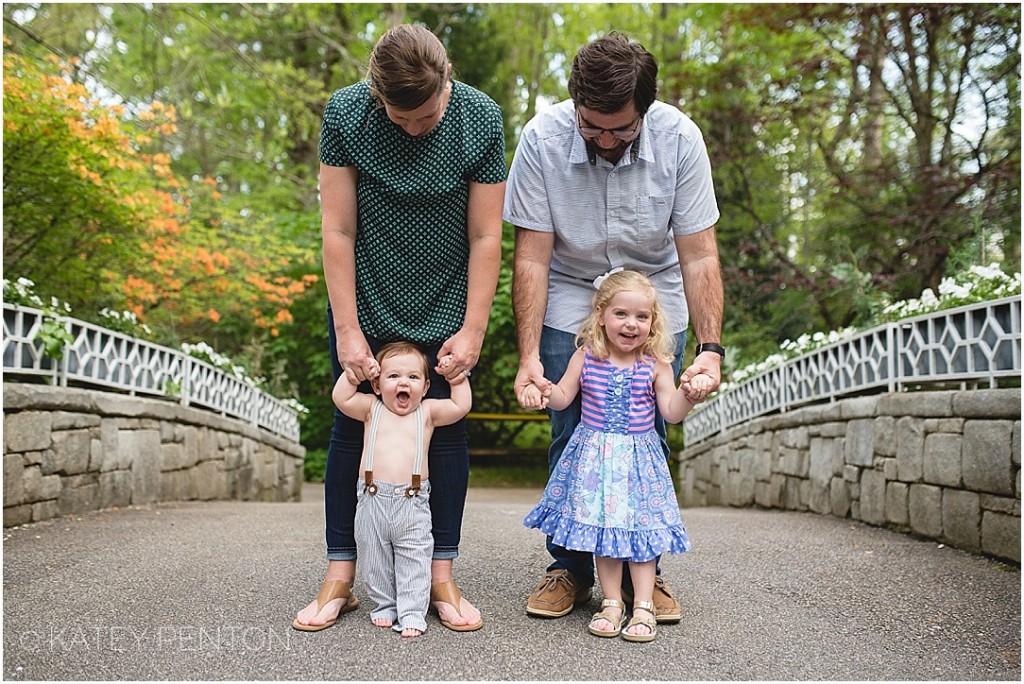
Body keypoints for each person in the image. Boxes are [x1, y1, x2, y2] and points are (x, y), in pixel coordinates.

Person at [504, 31, 725, 623]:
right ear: (575, 105)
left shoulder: (680, 140)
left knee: (645, 432)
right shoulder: (542, 140)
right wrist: (529, 357)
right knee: (570, 427)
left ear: (644, 112)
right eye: (590, 125)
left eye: (619, 130)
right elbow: (531, 257)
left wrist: (710, 348)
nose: (603, 140)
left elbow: (700, 254)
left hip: (653, 290)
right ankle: (569, 568)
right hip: (572, 290)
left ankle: (642, 573)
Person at [293, 23, 506, 633]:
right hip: (367, 302)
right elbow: (338, 229)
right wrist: (347, 328)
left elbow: (487, 234)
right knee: (349, 430)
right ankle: (341, 574)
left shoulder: (480, 118)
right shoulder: (346, 115)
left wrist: (474, 328)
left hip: (447, 305)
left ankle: (439, 575)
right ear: (375, 93)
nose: (414, 126)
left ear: (446, 81)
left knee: (445, 434)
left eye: (426, 113)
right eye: (399, 115)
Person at [520, 270, 712, 642]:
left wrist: (690, 392)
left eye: (642, 317)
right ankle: (611, 602)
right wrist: (541, 390)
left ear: (653, 322)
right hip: (595, 460)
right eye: (621, 314)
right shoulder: (587, 356)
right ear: (601, 315)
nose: (631, 323)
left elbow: (670, 412)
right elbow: (563, 398)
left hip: (639, 461)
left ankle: (642, 604)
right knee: (604, 533)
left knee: (640, 531)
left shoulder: (655, 363)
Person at [331, 342, 473, 638]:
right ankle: (384, 604)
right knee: (373, 556)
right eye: (393, 376)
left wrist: (457, 380)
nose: (403, 383)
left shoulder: (429, 411)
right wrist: (352, 376)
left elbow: (461, 406)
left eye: (413, 377)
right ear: (377, 385)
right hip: (371, 498)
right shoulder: (371, 408)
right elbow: (341, 398)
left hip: (413, 501)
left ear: (425, 386)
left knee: (415, 557)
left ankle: (411, 611)